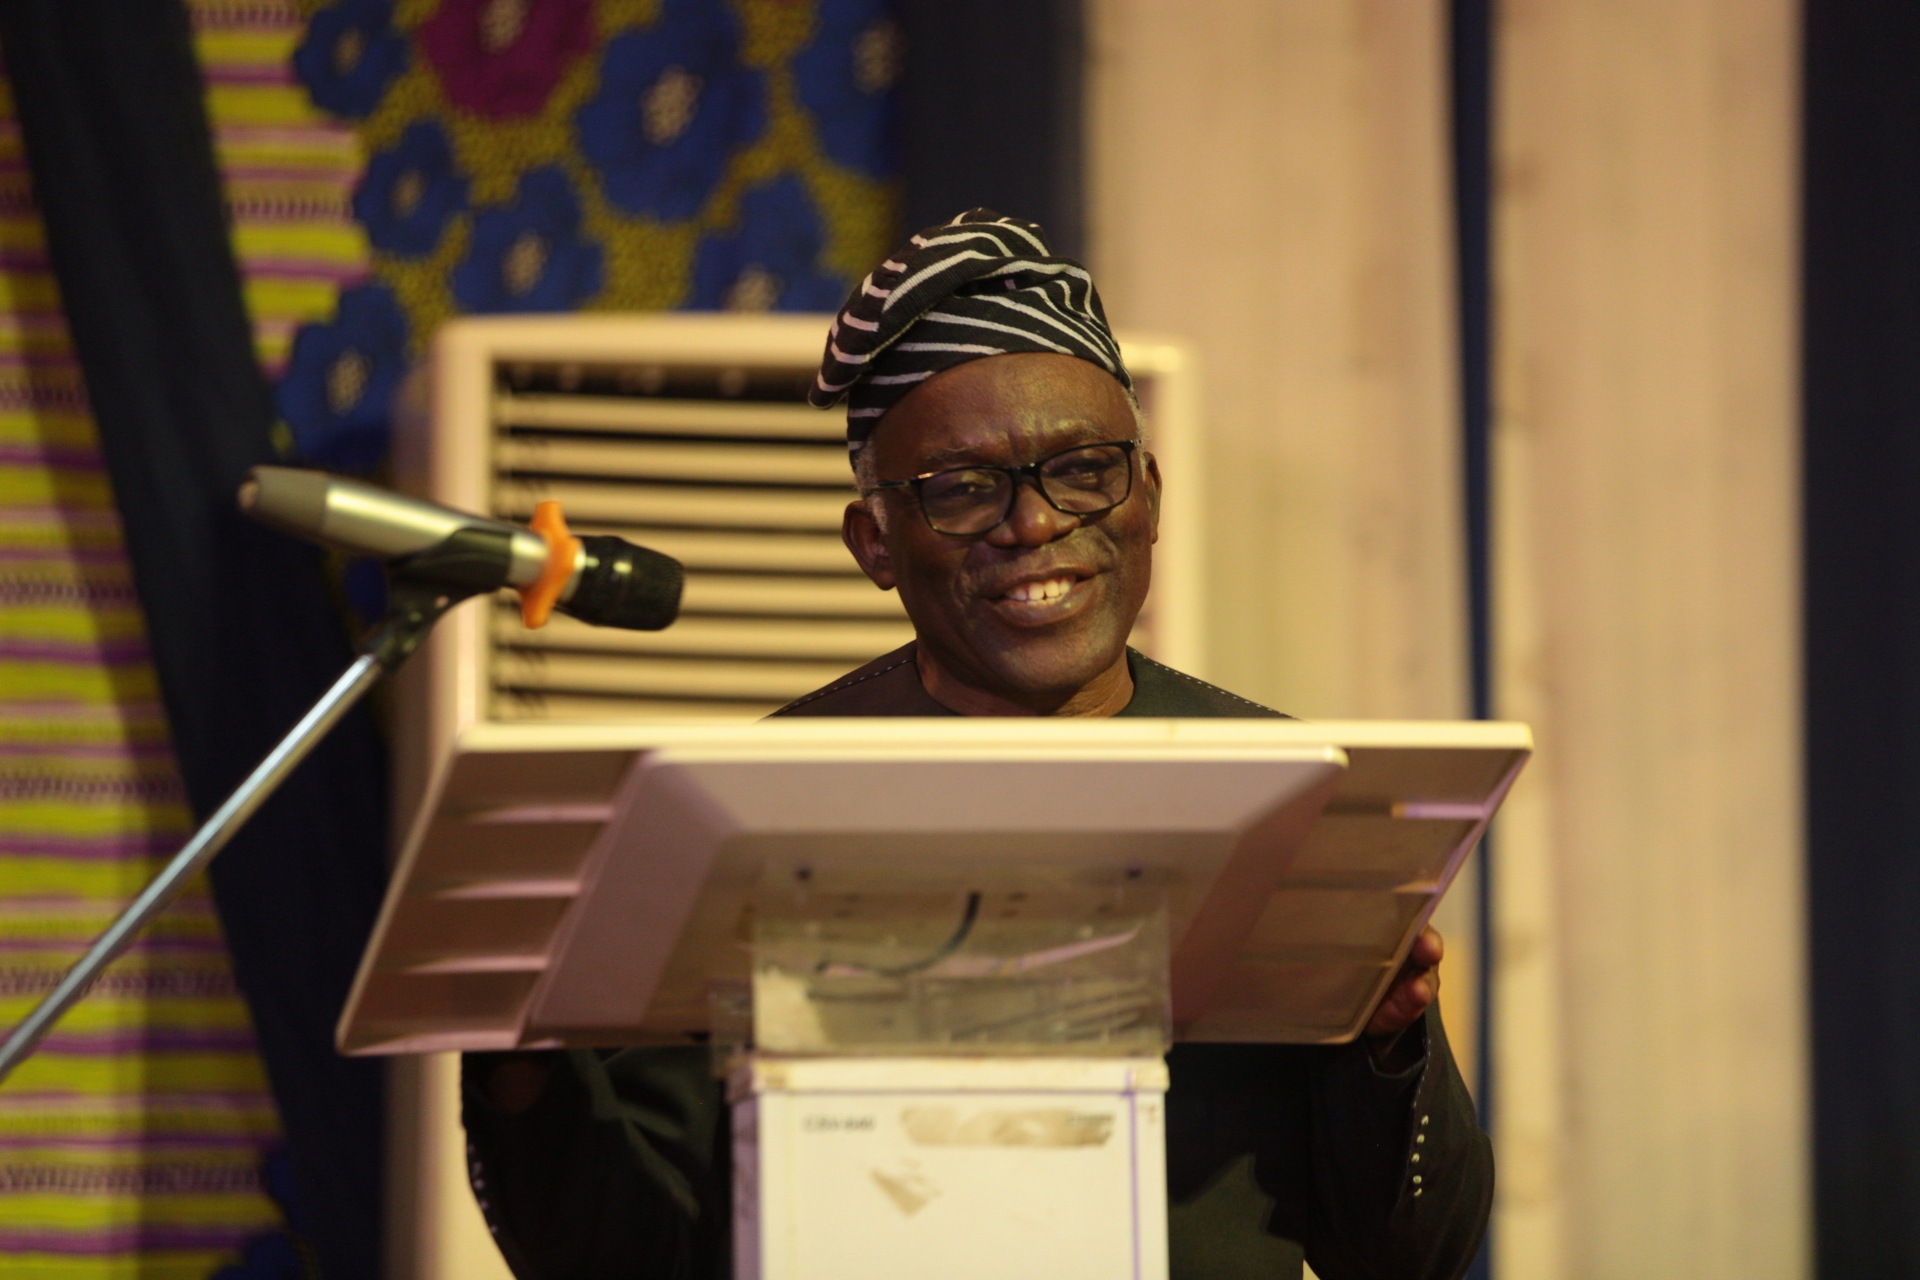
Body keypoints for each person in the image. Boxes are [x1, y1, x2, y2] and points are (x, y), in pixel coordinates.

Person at [462, 211, 1492, 1280]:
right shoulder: (744, 810)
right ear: (874, 541)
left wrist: (1384, 1039)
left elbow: (1412, 1254)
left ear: (1146, 497)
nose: (1036, 524)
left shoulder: (1291, 794)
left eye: (1084, 468)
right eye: (961, 488)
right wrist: (524, 1061)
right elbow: (627, 1255)